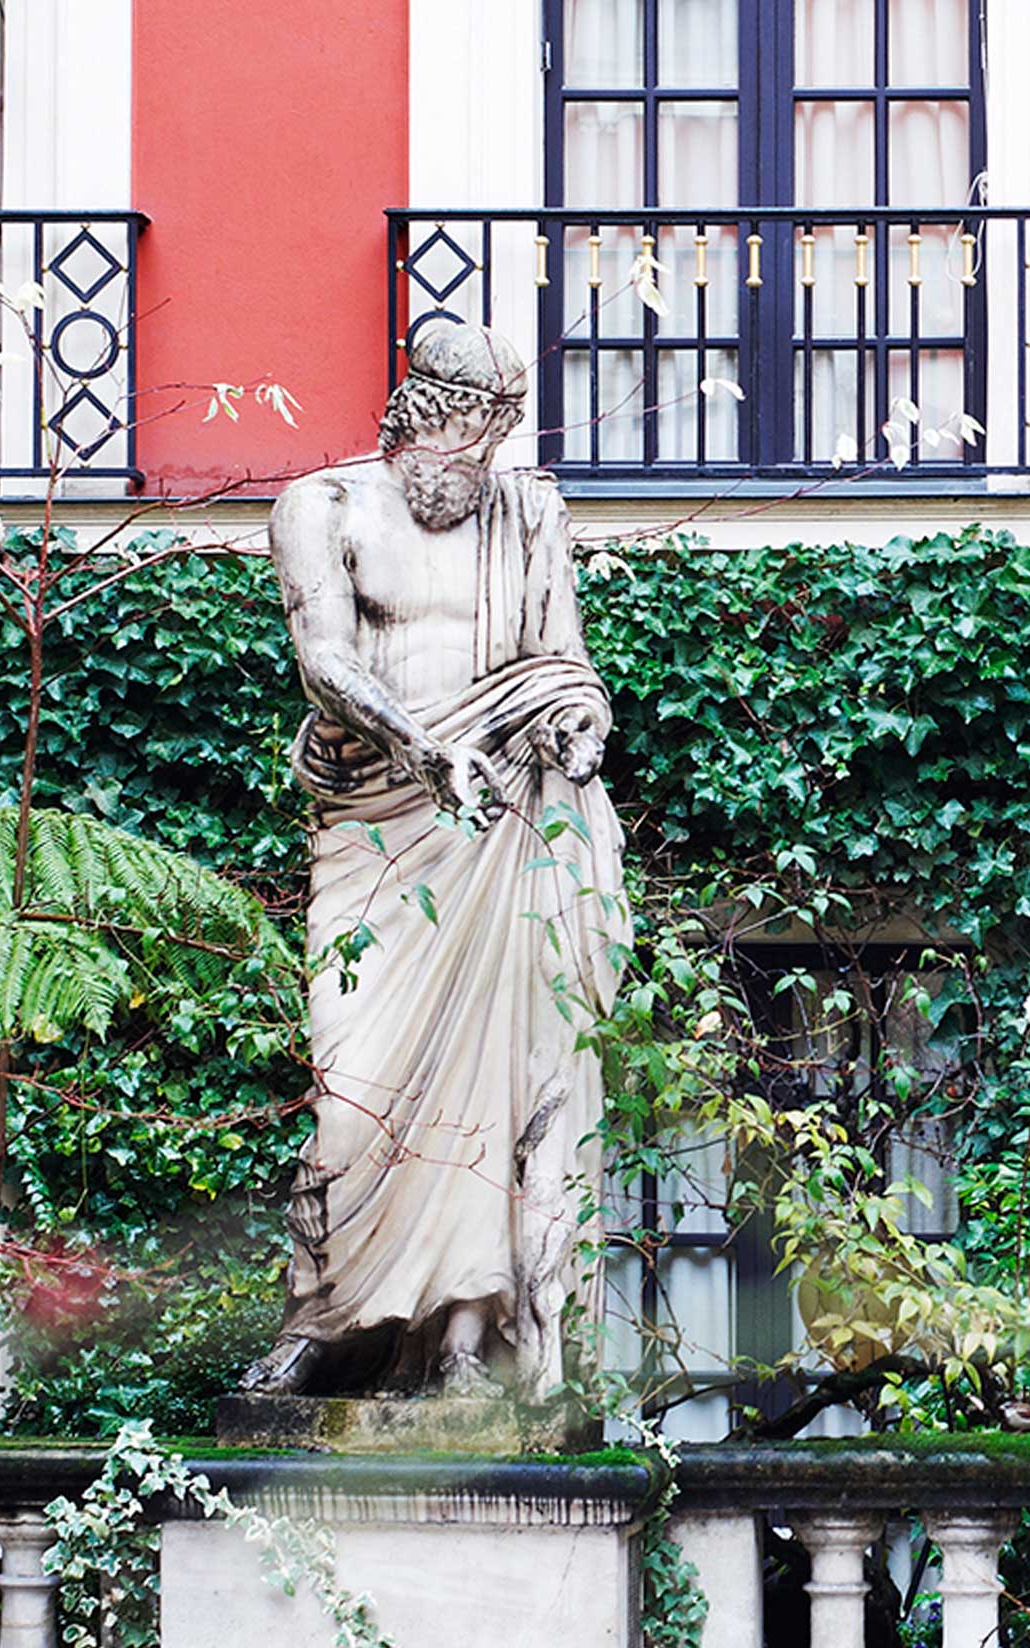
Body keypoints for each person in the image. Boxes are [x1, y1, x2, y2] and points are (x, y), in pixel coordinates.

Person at [240, 321, 628, 1397]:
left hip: (500, 826)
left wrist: (576, 729)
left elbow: (564, 664)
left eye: (489, 439)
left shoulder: (527, 513)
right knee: (351, 1083)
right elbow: (323, 660)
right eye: (458, 432)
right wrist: (425, 749)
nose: (472, 462)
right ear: (415, 410)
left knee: (494, 1083)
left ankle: (464, 1339)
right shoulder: (322, 507)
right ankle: (324, 1312)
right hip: (377, 824)